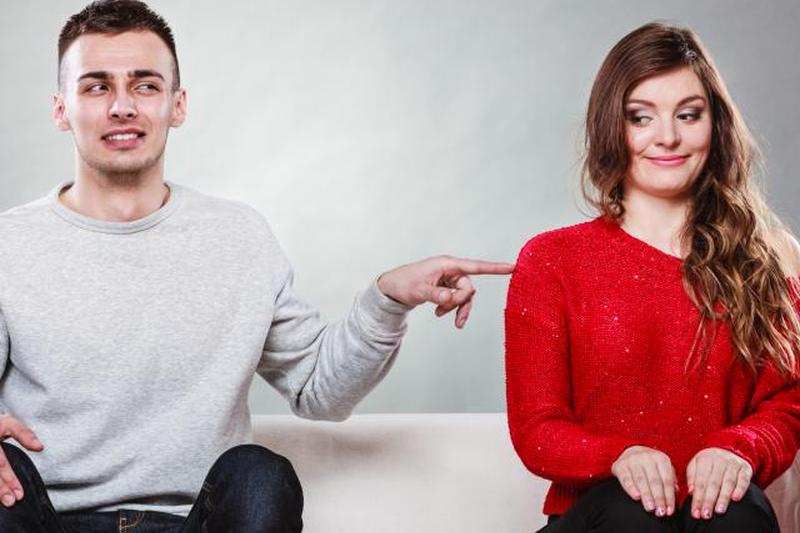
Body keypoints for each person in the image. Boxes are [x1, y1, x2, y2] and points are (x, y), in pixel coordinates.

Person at [0, 1, 514, 531]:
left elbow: (319, 391)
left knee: (259, 474)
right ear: (61, 109)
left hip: (196, 521)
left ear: (177, 105)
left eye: (145, 85)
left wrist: (387, 299)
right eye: (96, 87)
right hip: (41, 518)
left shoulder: (238, 237)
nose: (123, 106)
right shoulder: (9, 245)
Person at [505, 22, 800, 533]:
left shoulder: (767, 258)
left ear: (715, 125)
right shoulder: (552, 260)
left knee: (736, 512)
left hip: (719, 513)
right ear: (611, 127)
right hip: (603, 518)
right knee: (633, 512)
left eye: (688, 115)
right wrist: (620, 456)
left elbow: (789, 401)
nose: (668, 136)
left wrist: (739, 448)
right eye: (641, 117)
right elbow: (538, 429)